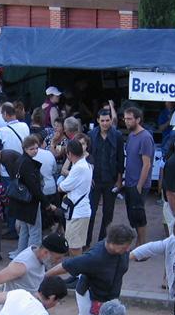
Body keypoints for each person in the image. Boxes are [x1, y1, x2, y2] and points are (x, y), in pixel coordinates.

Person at [47, 223, 134, 315]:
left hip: (110, 297)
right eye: (125, 246)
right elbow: (67, 265)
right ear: (113, 243)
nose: (127, 250)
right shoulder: (95, 257)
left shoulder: (122, 252)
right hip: (91, 297)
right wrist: (45, 276)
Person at [86, 109, 125, 247]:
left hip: (111, 179)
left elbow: (121, 159)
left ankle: (102, 242)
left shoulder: (118, 136)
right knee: (90, 211)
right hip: (94, 179)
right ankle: (86, 242)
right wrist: (88, 177)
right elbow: (87, 157)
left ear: (111, 120)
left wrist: (119, 180)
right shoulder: (91, 135)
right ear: (97, 120)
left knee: (108, 213)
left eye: (107, 120)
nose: (105, 123)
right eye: (102, 120)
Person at [122, 106, 155, 244]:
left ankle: (141, 244)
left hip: (138, 183)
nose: (126, 121)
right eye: (125, 118)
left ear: (138, 119)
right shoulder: (131, 136)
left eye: (130, 119)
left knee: (138, 214)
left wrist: (140, 185)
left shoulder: (146, 137)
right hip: (129, 182)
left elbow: (146, 164)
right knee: (132, 214)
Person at [57, 138, 92, 255]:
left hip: (78, 213)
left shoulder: (78, 168)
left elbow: (61, 187)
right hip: (79, 211)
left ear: (69, 154)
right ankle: (78, 272)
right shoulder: (83, 165)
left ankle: (78, 273)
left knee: (74, 248)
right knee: (74, 247)